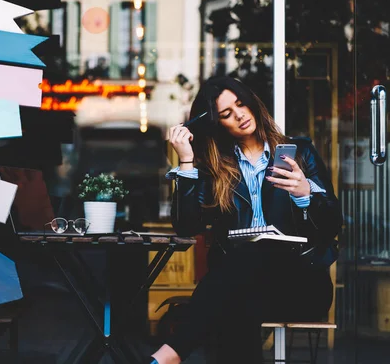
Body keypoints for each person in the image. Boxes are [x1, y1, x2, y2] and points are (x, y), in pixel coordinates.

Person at [147, 76, 342, 364]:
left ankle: (171, 353)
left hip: (302, 282)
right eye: (226, 114)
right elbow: (188, 227)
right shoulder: (215, 167)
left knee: (241, 272)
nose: (239, 115)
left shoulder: (299, 154)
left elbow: (332, 225)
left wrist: (305, 194)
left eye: (241, 104)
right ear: (217, 124)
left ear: (252, 104)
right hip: (243, 286)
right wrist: (186, 162)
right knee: (241, 304)